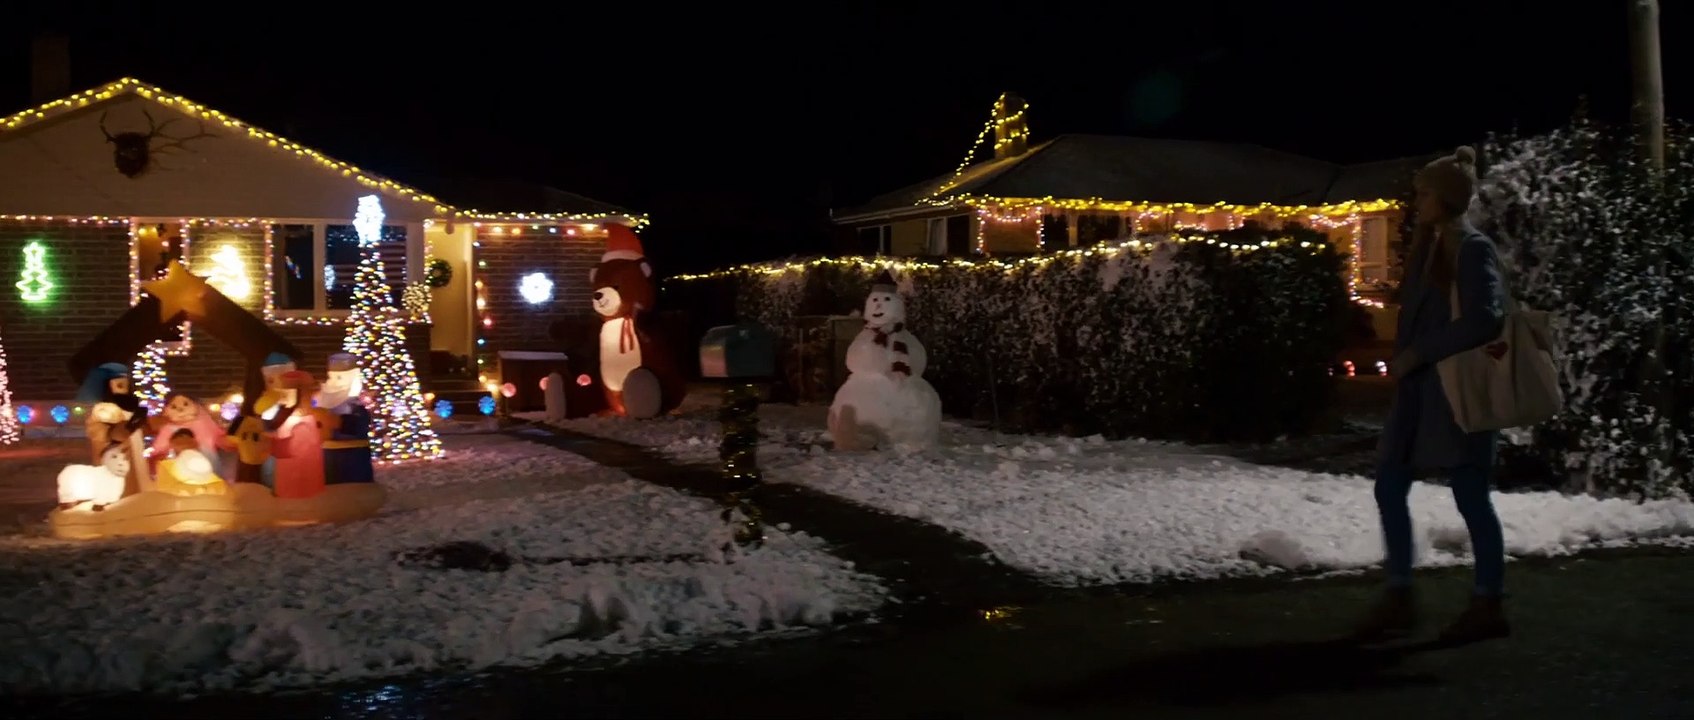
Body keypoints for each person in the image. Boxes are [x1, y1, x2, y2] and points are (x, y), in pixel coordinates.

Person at [1354, 146, 1510, 645]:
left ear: (1446, 198)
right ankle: (1400, 593)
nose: (1416, 201)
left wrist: (1420, 352)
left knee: (1470, 493)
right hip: (1419, 391)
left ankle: (1487, 602)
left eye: (1424, 194)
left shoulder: (1471, 247)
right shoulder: (1429, 246)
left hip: (1455, 391)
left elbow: (1486, 318)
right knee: (1389, 483)